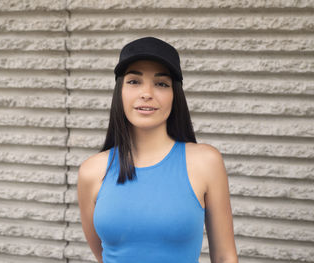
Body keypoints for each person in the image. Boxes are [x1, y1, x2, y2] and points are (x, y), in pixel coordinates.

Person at [77, 36, 238, 263]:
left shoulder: (205, 162)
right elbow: (103, 256)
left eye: (161, 83)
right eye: (134, 81)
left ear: (175, 96)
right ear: (119, 91)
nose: (147, 93)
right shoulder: (91, 172)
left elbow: (224, 257)